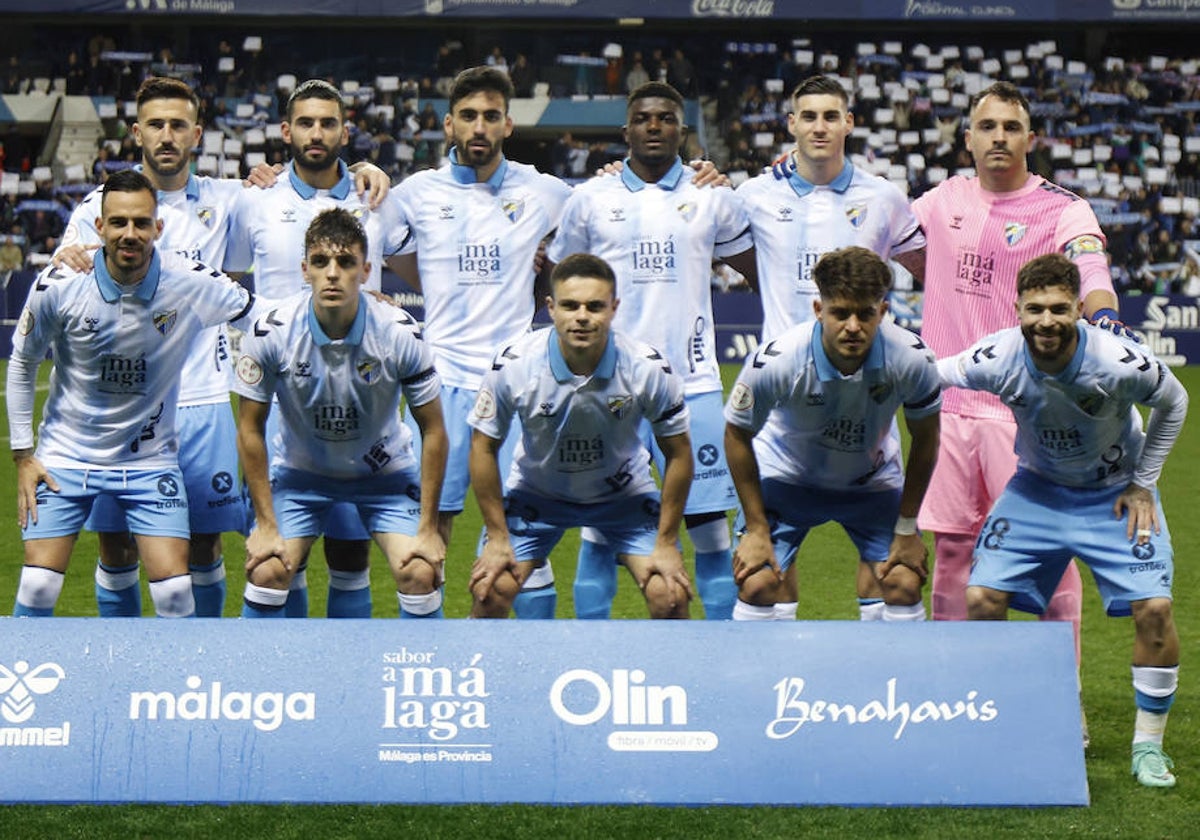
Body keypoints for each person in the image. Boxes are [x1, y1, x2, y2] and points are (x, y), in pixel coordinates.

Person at [942, 253, 1186, 788]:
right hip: (1037, 492)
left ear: (1078, 307)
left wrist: (1144, 481)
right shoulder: (998, 354)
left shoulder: (1119, 360)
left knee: (1155, 609)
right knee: (981, 600)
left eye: (1058, 308)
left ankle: (1147, 747)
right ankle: (1006, 719)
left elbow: (1176, 401)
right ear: (1017, 309)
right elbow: (932, 375)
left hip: (1114, 495)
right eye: (1035, 309)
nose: (1046, 321)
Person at [912, 82, 1130, 652]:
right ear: (968, 139)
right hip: (949, 410)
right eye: (988, 127)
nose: (1000, 137)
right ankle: (960, 692)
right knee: (955, 551)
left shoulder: (1062, 207)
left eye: (1012, 127)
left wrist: (1103, 320)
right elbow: (885, 237)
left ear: (1032, 138)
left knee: (1048, 556)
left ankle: (1062, 703)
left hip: (1028, 413)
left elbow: (1090, 268)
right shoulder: (941, 200)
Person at [7, 170, 262, 617]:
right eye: (119, 222)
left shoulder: (187, 278)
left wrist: (345, 304)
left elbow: (260, 317)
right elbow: (24, 362)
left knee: (176, 595)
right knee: (38, 587)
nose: (130, 234)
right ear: (99, 227)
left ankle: (179, 685)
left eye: (141, 223)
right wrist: (23, 455)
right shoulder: (60, 283)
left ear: (158, 229)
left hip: (148, 461)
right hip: (67, 457)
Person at [546, 81, 757, 620]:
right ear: (627, 131)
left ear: (683, 131)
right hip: (606, 389)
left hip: (696, 387)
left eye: (667, 118)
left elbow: (760, 273)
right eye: (644, 119)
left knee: (710, 538)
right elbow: (560, 280)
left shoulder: (712, 196)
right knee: (598, 535)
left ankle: (720, 666)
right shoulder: (592, 198)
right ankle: (594, 655)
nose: (655, 127)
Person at [388, 66, 573, 619]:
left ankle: (495, 639)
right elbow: (398, 261)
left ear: (507, 124)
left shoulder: (545, 191)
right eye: (468, 115)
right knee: (431, 533)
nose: (479, 126)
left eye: (491, 116)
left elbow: (586, 239)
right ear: (448, 124)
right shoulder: (415, 194)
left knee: (522, 532)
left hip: (517, 385)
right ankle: (429, 657)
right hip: (440, 386)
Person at [226, 78, 407, 617]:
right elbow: (230, 279)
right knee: (283, 554)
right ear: (286, 130)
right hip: (278, 396)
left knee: (351, 556)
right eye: (305, 122)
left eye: (328, 122)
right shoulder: (255, 200)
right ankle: (292, 681)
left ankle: (342, 682)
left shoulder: (375, 197)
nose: (316, 132)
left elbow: (418, 268)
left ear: (345, 131)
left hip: (357, 397)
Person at [233, 209, 448, 619]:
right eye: (321, 262)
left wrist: (428, 528)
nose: (333, 273)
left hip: (384, 479)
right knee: (267, 570)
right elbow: (249, 427)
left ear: (366, 271)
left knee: (420, 572)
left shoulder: (399, 333)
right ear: (304, 270)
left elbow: (433, 430)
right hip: (299, 478)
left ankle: (422, 680)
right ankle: (263, 680)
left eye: (346, 262)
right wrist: (264, 523)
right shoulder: (272, 332)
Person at [466, 252, 693, 620]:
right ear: (551, 308)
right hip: (536, 495)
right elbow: (483, 445)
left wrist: (666, 542)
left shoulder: (647, 368)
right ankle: (483, 679)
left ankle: (675, 679)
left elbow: (679, 453)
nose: (582, 316)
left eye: (594, 306)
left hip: (624, 497)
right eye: (570, 306)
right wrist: (496, 537)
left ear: (614, 308)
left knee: (669, 595)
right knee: (491, 592)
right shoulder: (513, 364)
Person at [723, 246, 941, 621]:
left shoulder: (912, 359)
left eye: (866, 314)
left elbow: (926, 439)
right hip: (786, 478)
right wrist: (756, 529)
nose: (853, 326)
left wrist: (907, 528)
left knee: (903, 582)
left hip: (871, 484)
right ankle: (759, 677)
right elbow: (736, 434)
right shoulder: (779, 360)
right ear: (819, 310)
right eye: (840, 313)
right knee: (756, 582)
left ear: (883, 312)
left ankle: (893, 679)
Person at [737, 75, 926, 345]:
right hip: (782, 375)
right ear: (793, 124)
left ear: (848, 122)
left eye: (830, 117)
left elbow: (932, 274)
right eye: (809, 117)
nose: (819, 128)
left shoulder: (883, 198)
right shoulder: (754, 196)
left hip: (859, 373)